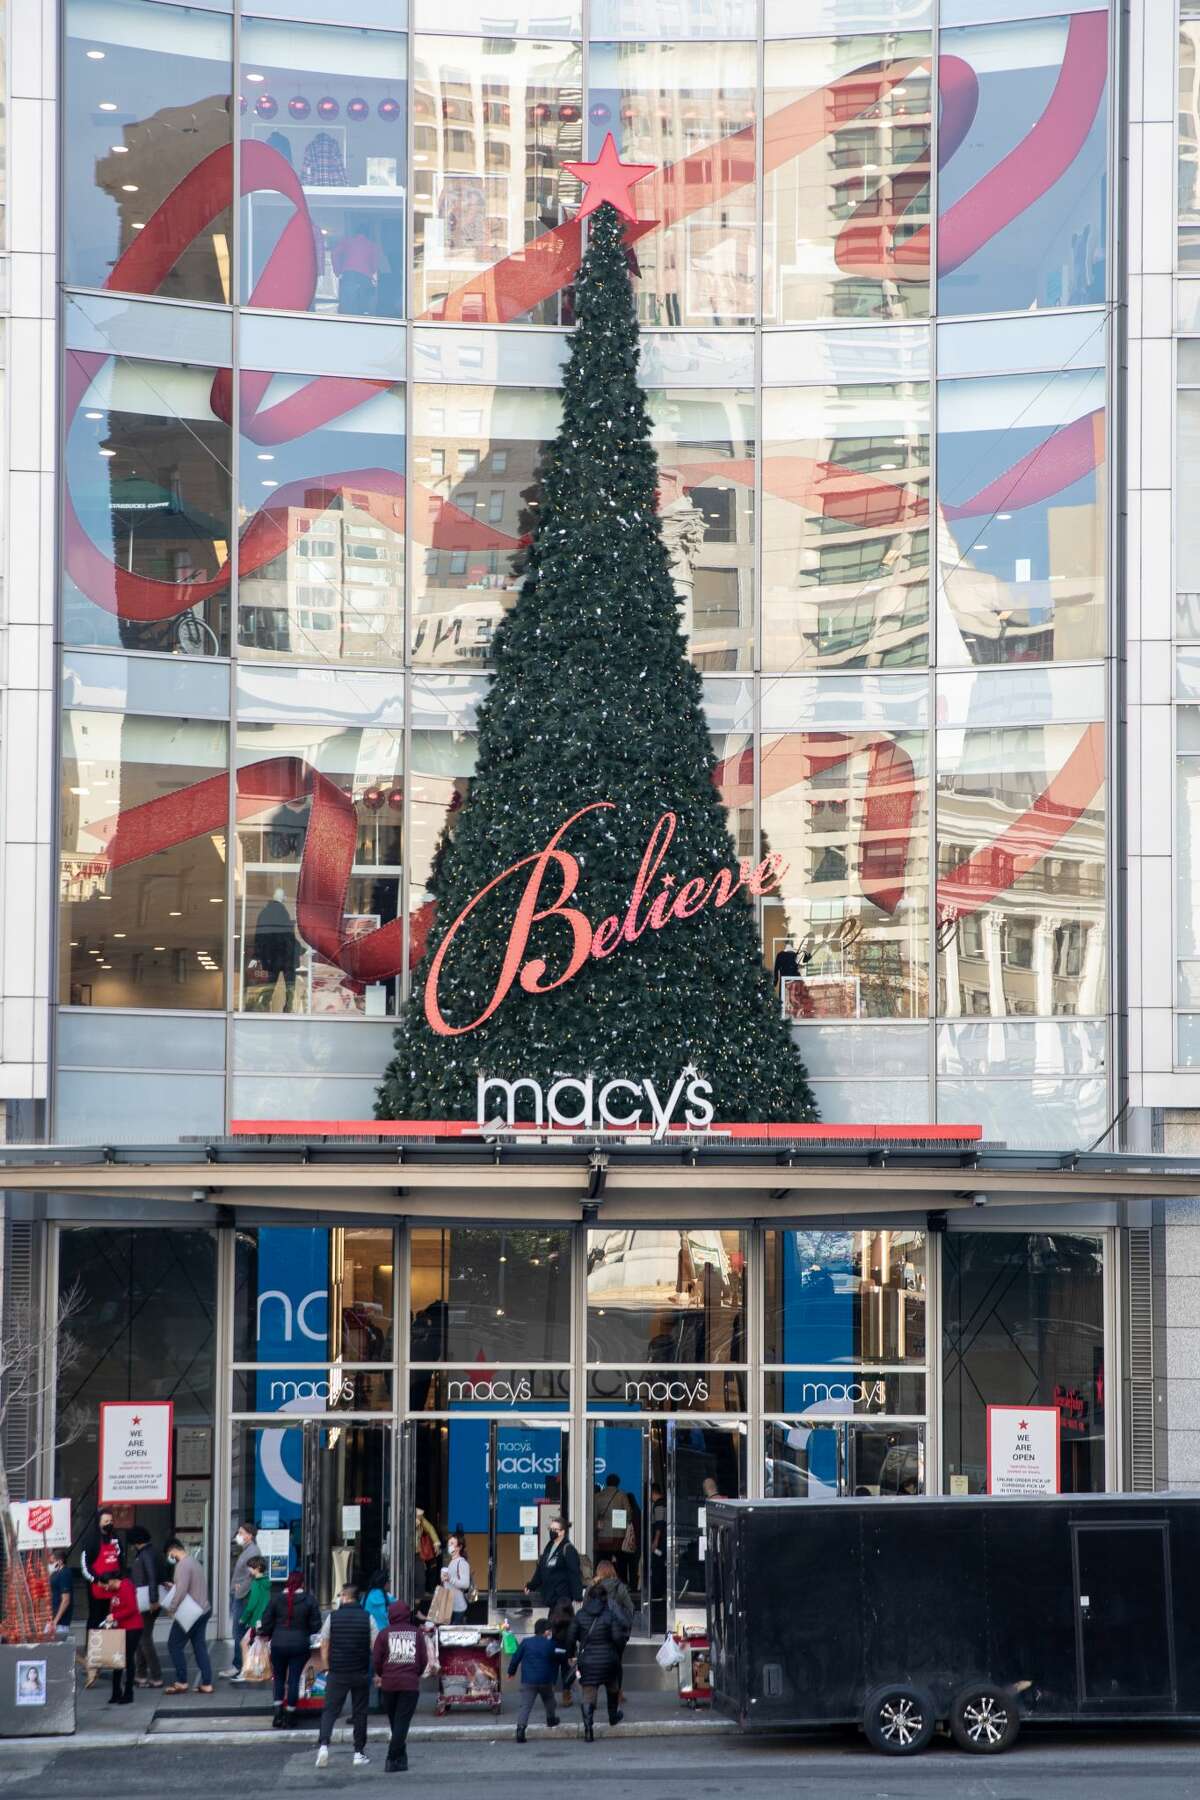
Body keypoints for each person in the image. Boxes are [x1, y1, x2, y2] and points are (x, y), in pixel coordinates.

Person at [567, 1576, 632, 1742]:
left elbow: (570, 1637)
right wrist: (615, 1653)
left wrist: (571, 1654)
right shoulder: (609, 1615)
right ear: (604, 1598)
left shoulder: (581, 1615)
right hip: (609, 1659)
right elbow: (617, 1637)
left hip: (587, 1661)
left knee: (588, 1693)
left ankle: (588, 1729)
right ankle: (613, 1716)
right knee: (612, 1687)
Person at [315, 1584, 372, 1770]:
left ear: (346, 1597)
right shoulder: (367, 1617)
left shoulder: (333, 1617)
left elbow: (324, 1643)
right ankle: (358, 1752)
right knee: (360, 1711)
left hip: (337, 1672)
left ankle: (323, 1746)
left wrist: (326, 1667)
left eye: (340, 1595)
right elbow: (375, 1644)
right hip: (360, 1671)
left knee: (330, 1710)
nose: (339, 1598)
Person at [371, 1597, 429, 1773]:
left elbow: (377, 1660)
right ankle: (391, 1758)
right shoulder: (417, 1634)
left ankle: (400, 1759)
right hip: (409, 1685)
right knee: (401, 1724)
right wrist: (415, 1674)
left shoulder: (383, 1634)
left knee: (395, 1723)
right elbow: (423, 1660)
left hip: (389, 1685)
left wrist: (383, 1674)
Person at [259, 1569, 322, 1727]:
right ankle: (290, 1714)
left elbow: (266, 1621)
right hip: (300, 1644)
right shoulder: (309, 1600)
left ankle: (278, 1714)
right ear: (302, 1583)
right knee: (294, 1679)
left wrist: (268, 1632)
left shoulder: (276, 1599)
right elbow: (316, 1625)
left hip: (278, 1643)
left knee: (279, 1678)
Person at [161, 1537, 213, 1695]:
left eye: (169, 1554)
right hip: (203, 1609)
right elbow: (188, 1585)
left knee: (174, 1644)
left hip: (191, 1613)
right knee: (199, 1646)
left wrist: (172, 1607)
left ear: (173, 1550)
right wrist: (175, 1586)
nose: (170, 1557)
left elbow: (182, 1590)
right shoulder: (194, 1562)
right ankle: (207, 1683)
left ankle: (181, 1681)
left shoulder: (182, 1565)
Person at [81, 1508, 123, 1685]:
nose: (108, 1524)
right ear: (98, 1523)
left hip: (113, 1591)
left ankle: (111, 1660)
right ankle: (93, 1663)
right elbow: (85, 1567)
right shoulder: (90, 1541)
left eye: (110, 1521)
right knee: (95, 1625)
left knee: (113, 1624)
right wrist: (97, 1580)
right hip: (97, 1591)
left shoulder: (116, 1540)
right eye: (105, 1521)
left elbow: (120, 1561)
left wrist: (118, 1580)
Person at [508, 1618, 561, 1743]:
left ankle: (520, 1730)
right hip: (545, 1680)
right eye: (549, 1631)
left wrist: (511, 1672)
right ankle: (551, 1719)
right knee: (549, 1700)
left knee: (525, 1706)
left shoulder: (526, 1642)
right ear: (546, 1632)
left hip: (528, 1680)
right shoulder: (550, 1644)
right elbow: (558, 1657)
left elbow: (516, 1658)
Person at [96, 1571, 142, 1706]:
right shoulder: (115, 1590)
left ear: (110, 1581)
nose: (105, 1589)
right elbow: (115, 1607)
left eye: (104, 1586)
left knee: (127, 1659)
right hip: (120, 1627)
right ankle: (116, 1692)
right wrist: (111, 1618)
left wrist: (114, 1617)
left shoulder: (126, 1586)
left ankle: (128, 1693)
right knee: (117, 1660)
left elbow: (132, 1608)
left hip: (132, 1627)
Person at [127, 1526, 164, 1687]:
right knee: (142, 1637)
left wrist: (153, 1599)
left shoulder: (145, 1555)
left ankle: (156, 1676)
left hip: (147, 1601)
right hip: (147, 1600)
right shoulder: (153, 1552)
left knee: (144, 1638)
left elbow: (151, 1576)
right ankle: (141, 1675)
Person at [223, 1519, 259, 1679]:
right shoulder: (247, 1550)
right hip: (241, 1596)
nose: (238, 1535)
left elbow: (253, 1575)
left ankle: (240, 1666)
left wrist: (240, 1590)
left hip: (243, 1597)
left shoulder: (252, 1552)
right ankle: (242, 1665)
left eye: (241, 1533)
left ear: (250, 1536)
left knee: (239, 1632)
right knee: (240, 1632)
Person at [525, 1515, 583, 1611]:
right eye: (550, 1528)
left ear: (562, 1532)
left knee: (557, 1624)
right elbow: (541, 1569)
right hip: (551, 1597)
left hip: (562, 1598)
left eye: (555, 1529)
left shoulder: (568, 1549)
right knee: (553, 1624)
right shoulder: (549, 1546)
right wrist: (531, 1585)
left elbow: (574, 1573)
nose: (551, 1531)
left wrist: (577, 1595)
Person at [593, 1473, 639, 1590]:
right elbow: (629, 1514)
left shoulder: (598, 1496)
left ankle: (602, 1584)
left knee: (603, 1559)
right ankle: (621, 1584)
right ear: (618, 1483)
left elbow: (593, 1516)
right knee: (621, 1562)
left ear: (607, 1482)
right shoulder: (622, 1495)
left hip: (603, 1534)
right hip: (619, 1534)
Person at [234, 1555, 271, 1678]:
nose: (249, 1570)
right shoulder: (267, 1582)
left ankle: (246, 1671)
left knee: (244, 1643)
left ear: (258, 1568)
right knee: (263, 1646)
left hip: (256, 1620)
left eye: (251, 1568)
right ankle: (265, 1672)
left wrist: (244, 1618)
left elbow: (252, 1604)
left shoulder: (256, 1583)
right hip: (265, 1619)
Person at [547, 1597, 576, 1705]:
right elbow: (572, 1639)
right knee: (566, 1674)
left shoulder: (552, 1619)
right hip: (567, 1650)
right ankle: (566, 1697)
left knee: (553, 1673)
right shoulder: (573, 1621)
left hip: (554, 1649)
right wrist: (572, 1654)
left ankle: (550, 1697)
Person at [439, 1535, 471, 1618]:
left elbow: (465, 1584)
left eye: (452, 1543)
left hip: (458, 1607)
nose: (449, 1546)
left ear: (459, 1547)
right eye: (449, 1543)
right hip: (450, 1606)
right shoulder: (452, 1561)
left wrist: (449, 1579)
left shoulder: (462, 1563)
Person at [46, 1550, 73, 1643]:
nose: (51, 1564)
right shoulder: (56, 1574)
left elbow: (66, 1600)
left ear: (60, 1561)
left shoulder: (65, 1573)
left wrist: (56, 1621)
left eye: (52, 1562)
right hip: (52, 1617)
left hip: (60, 1621)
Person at [414, 1508, 441, 1598]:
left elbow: (430, 1528)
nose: (420, 1519)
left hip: (417, 1555)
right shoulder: (406, 1518)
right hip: (404, 1554)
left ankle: (416, 1606)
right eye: (418, 1517)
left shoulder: (421, 1520)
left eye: (420, 1517)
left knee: (421, 1580)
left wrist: (436, 1543)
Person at [364, 1566, 393, 1638]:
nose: (390, 1584)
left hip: (368, 1633)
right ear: (385, 1583)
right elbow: (401, 1607)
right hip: (384, 1634)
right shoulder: (387, 1596)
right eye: (389, 1581)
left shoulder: (366, 1595)